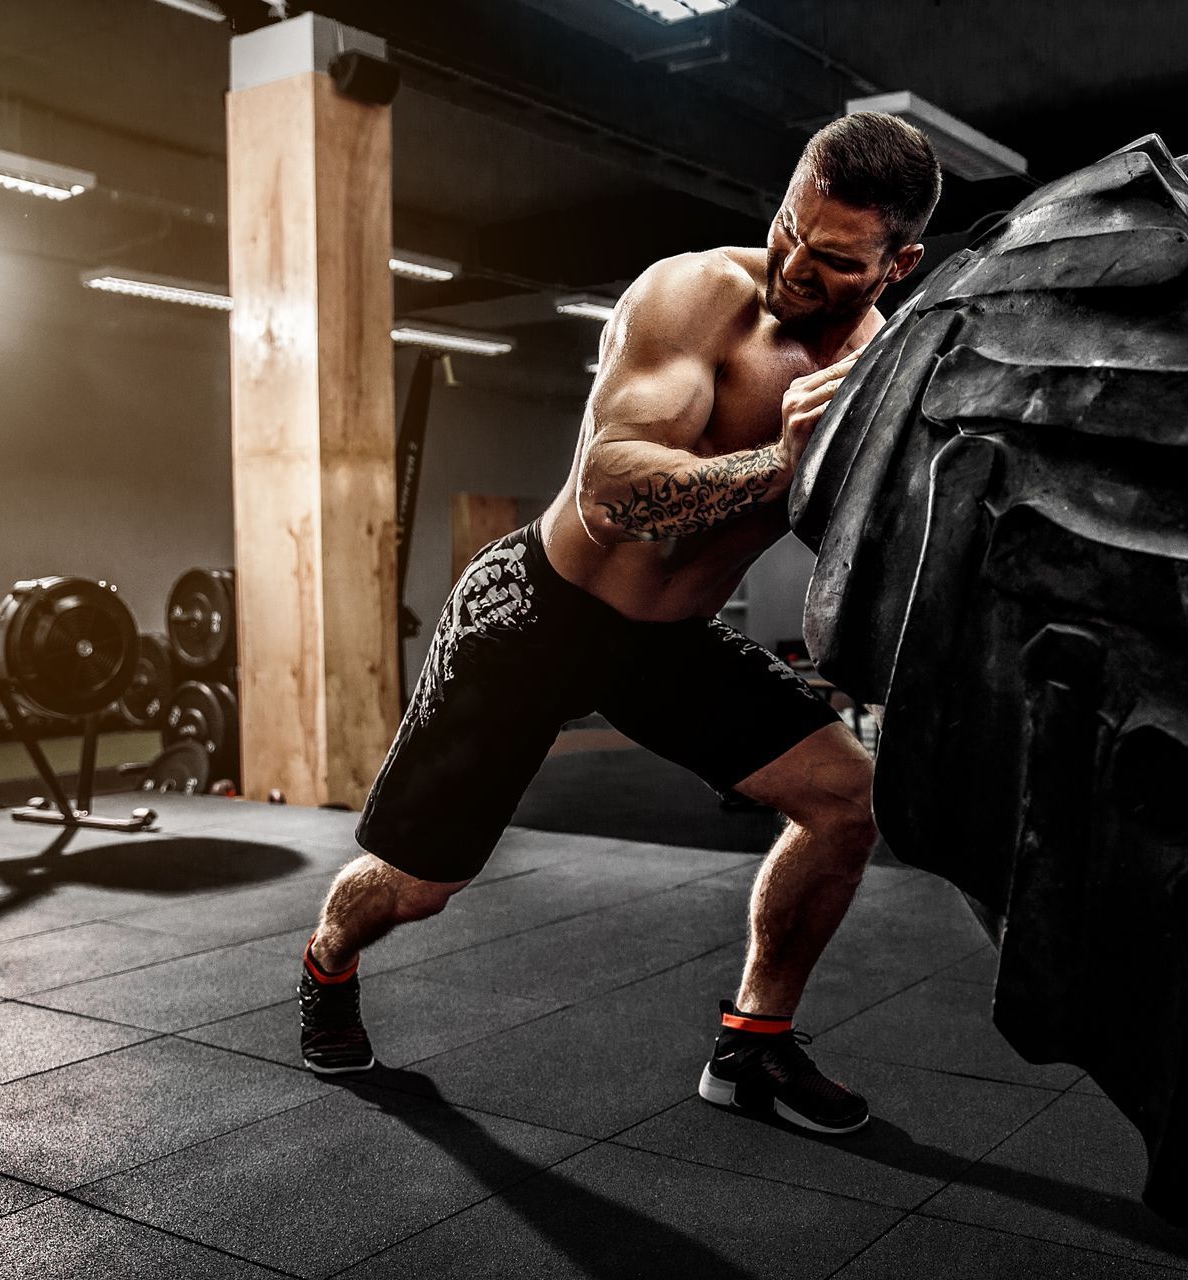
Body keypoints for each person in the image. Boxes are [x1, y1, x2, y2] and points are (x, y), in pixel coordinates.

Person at [295, 112, 940, 1136]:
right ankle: (327, 958)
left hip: (663, 641)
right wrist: (782, 460)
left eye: (833, 258)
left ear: (898, 263)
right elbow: (610, 491)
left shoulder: (882, 369)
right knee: (420, 884)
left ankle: (753, 1046)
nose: (793, 267)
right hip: (535, 608)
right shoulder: (693, 297)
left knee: (845, 799)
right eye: (787, 230)